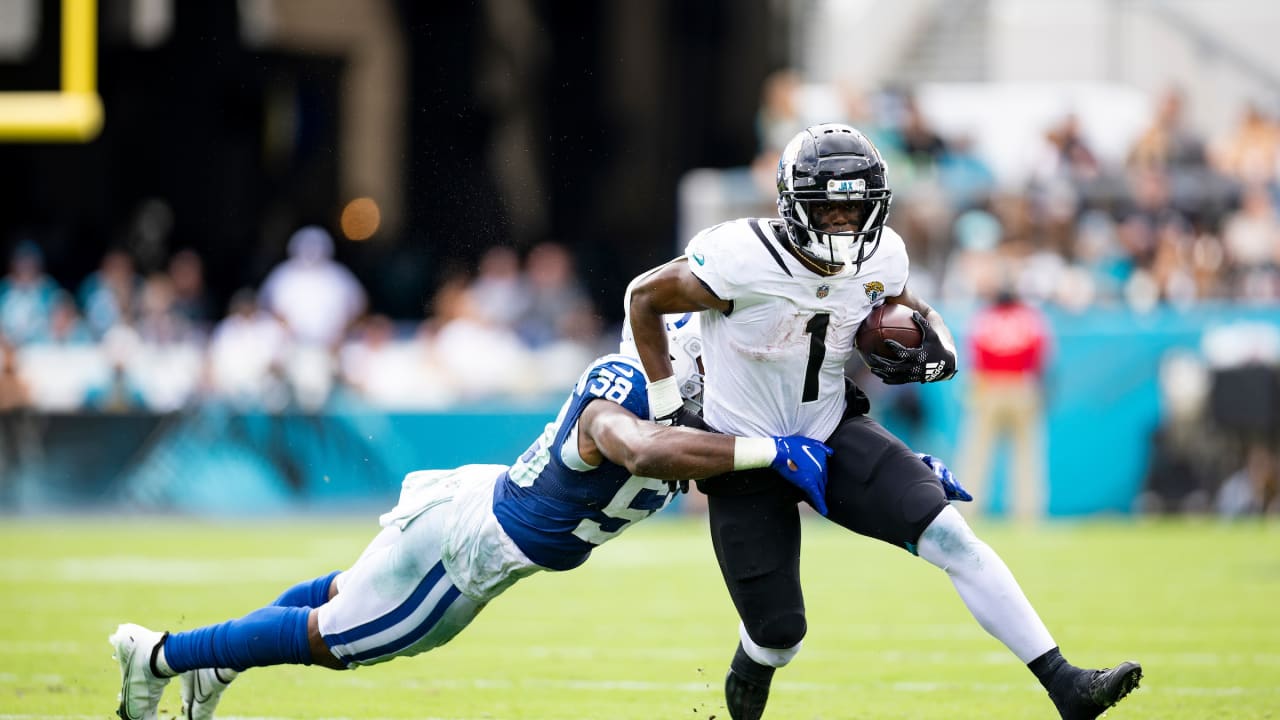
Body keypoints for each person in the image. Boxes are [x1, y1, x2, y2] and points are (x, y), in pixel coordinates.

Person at [626, 123, 1142, 720]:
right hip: (744, 451)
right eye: (830, 207)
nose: (845, 222)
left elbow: (914, 308)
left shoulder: (884, 253)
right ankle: (750, 667)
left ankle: (1066, 686)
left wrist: (937, 344)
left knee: (951, 535)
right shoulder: (740, 256)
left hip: (831, 431)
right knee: (778, 636)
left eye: (857, 207)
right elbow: (644, 297)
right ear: (794, 205)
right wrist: (667, 406)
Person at [108, 314, 833, 720]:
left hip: (477, 511)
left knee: (338, 600)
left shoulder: (686, 404)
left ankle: (217, 666)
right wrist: (767, 450)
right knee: (335, 639)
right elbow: (637, 448)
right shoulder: (627, 391)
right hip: (474, 549)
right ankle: (160, 654)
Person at [956, 284, 1053, 524]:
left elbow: (974, 357)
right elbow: (1041, 357)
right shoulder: (1030, 318)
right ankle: (1027, 513)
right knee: (1026, 454)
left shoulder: (983, 318)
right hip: (1022, 385)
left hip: (989, 386)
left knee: (977, 453)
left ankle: (968, 510)